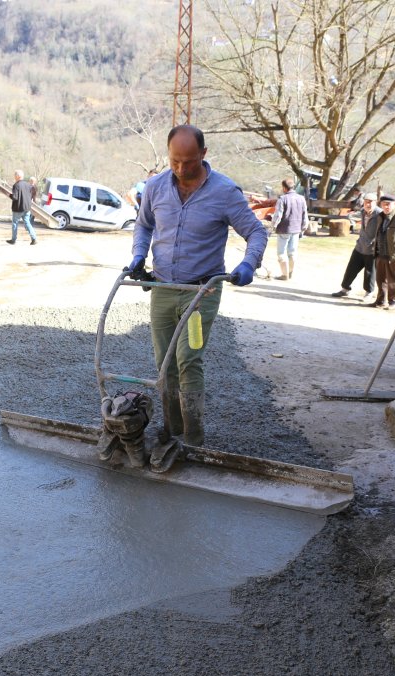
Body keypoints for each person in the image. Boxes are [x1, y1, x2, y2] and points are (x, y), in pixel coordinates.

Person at [129, 125, 267, 457]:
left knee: (188, 360)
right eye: (174, 161)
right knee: (164, 362)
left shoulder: (224, 192)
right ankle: (172, 429)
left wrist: (248, 264)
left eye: (188, 162)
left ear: (203, 154)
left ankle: (193, 436)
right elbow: (144, 224)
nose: (180, 168)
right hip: (163, 287)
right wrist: (138, 255)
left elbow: (256, 232)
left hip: (202, 292)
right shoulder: (155, 187)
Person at [331, 192, 381, 299]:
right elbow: (353, 215)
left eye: (370, 202)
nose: (368, 204)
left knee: (370, 272)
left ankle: (369, 293)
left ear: (375, 202)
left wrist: (376, 244)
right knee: (351, 269)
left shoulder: (380, 214)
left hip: (372, 249)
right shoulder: (363, 211)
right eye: (366, 202)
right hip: (360, 246)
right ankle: (345, 289)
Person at [271, 178, 309, 280]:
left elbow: (278, 215)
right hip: (296, 229)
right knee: (292, 253)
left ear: (284, 188)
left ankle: (285, 275)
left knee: (281, 253)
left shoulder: (282, 199)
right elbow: (305, 214)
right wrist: (304, 227)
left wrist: (272, 227)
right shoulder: (301, 198)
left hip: (284, 229)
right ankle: (290, 273)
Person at [8, 170, 37, 245]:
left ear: (17, 176)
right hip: (27, 208)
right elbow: (30, 196)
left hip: (18, 208)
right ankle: (34, 238)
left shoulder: (16, 185)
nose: (14, 177)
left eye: (15, 175)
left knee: (15, 223)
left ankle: (13, 240)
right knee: (27, 223)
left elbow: (15, 197)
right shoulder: (28, 185)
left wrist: (10, 195)